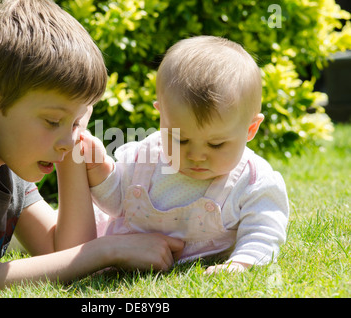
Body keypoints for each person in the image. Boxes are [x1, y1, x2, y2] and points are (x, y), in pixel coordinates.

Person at [0, 0, 184, 290]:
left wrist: (73, 145)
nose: (68, 141)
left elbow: (61, 251)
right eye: (52, 121)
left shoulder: (8, 158)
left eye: (76, 123)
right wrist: (111, 249)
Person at [82, 36, 289, 274]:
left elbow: (263, 231)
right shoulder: (147, 157)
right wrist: (100, 171)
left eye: (216, 144)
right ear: (162, 116)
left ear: (250, 129)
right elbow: (117, 202)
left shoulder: (252, 181)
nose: (197, 155)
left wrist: (240, 264)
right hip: (114, 249)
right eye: (181, 139)